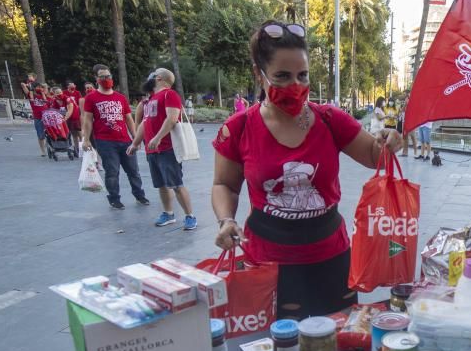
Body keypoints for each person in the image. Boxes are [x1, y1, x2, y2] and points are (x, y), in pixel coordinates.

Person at [212, 21, 403, 319]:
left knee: (340, 340)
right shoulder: (238, 128)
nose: (295, 86)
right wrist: (225, 220)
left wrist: (389, 141)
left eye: (303, 75)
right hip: (268, 262)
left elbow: (372, 155)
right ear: (258, 74)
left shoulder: (330, 119)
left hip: (331, 255)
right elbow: (224, 184)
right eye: (282, 76)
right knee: (280, 347)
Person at [130, 68, 196, 231]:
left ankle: (190, 216)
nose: (149, 78)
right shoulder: (150, 99)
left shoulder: (169, 95)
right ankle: (168, 213)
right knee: (161, 185)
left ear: (158, 78)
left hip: (168, 148)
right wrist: (135, 143)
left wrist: (158, 137)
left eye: (151, 75)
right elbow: (145, 124)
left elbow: (172, 118)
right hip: (152, 150)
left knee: (176, 184)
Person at [81, 64, 150, 210]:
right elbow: (87, 120)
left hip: (125, 140)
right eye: (103, 77)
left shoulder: (120, 97)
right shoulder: (91, 98)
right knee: (112, 172)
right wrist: (86, 138)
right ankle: (114, 198)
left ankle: (139, 195)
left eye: (109, 76)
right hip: (105, 142)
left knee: (133, 171)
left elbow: (128, 119)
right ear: (96, 79)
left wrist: (135, 138)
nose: (107, 79)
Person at [21, 79, 52, 155]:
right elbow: (22, 85)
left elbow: (46, 87)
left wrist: (42, 89)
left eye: (40, 87)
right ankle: (42, 151)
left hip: (46, 117)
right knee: (40, 135)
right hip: (38, 117)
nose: (40, 88)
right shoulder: (31, 95)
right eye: (38, 87)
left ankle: (50, 146)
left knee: (51, 133)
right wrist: (29, 85)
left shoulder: (44, 94)